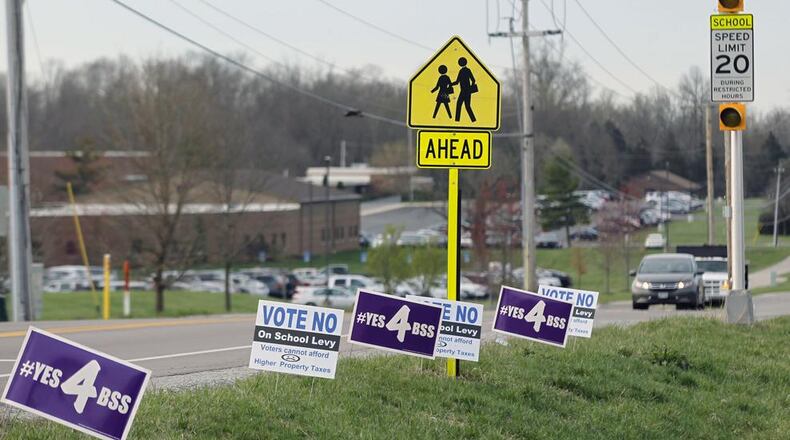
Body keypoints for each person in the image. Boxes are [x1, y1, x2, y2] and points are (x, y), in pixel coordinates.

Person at [452, 57, 477, 123]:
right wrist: (470, 88)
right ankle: (473, 120)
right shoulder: (467, 70)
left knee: (460, 105)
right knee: (466, 106)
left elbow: (457, 82)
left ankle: (457, 120)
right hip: (467, 91)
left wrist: (450, 84)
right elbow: (473, 80)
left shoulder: (462, 71)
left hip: (464, 91)